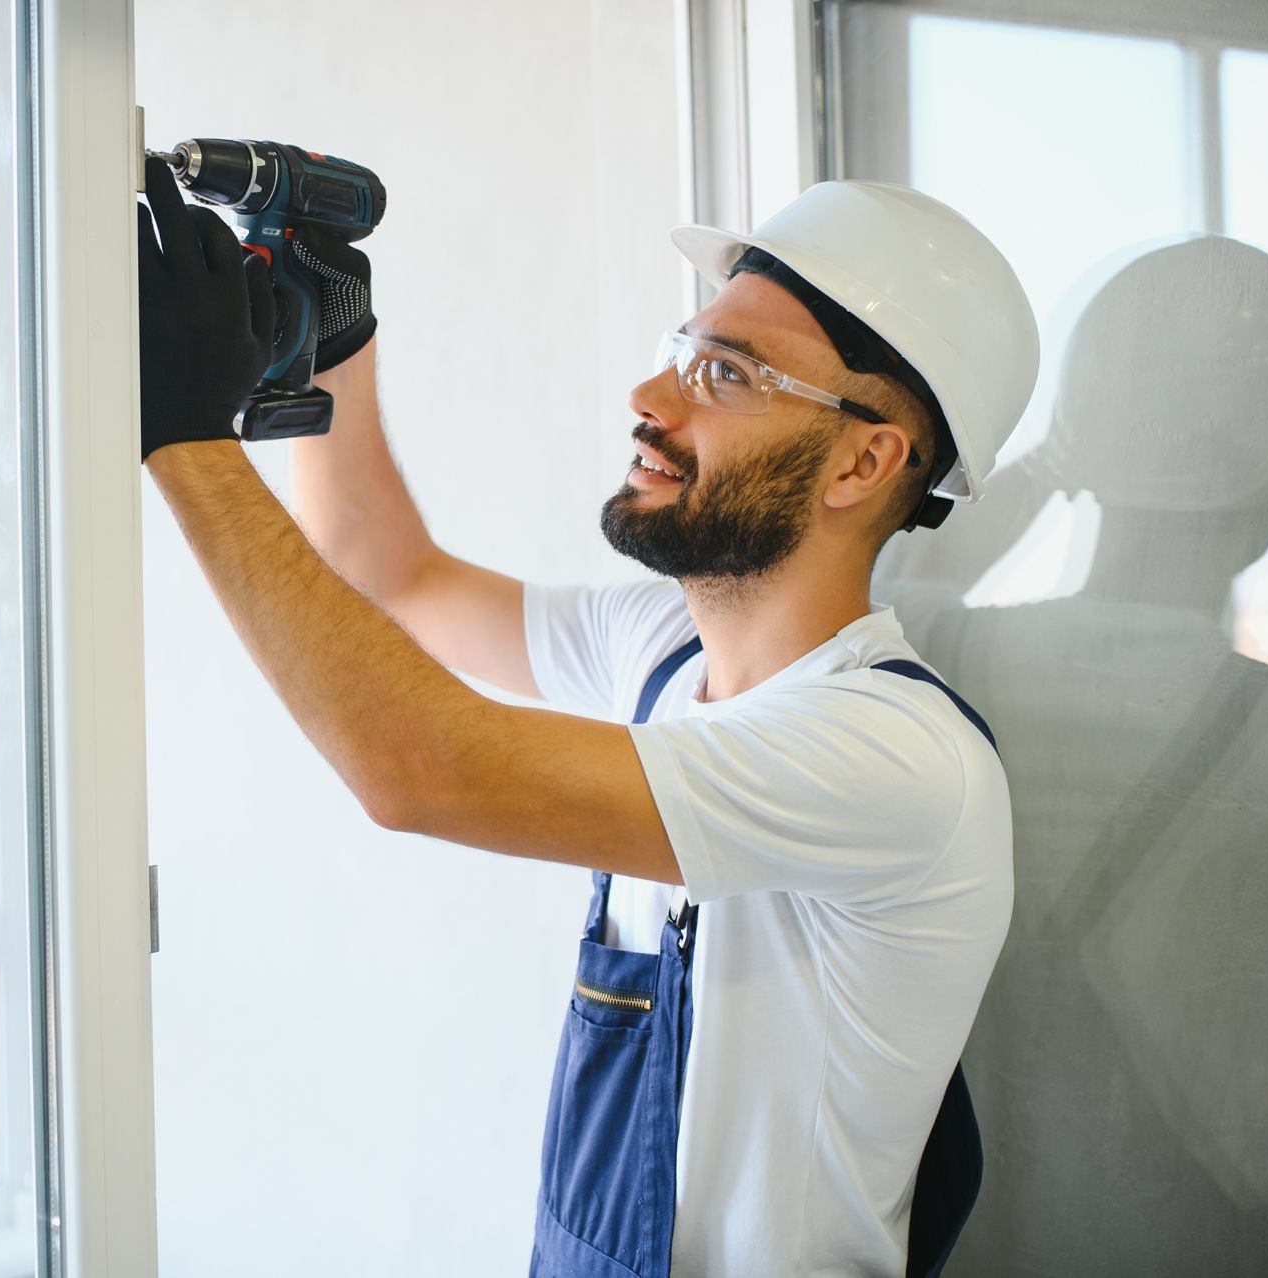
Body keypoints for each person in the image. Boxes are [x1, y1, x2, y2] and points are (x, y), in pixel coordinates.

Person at [134, 154, 1039, 1277]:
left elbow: (419, 767)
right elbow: (392, 579)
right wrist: (337, 336)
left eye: (725, 375)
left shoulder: (898, 758)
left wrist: (183, 434)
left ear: (864, 460)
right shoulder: (660, 656)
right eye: (681, 351)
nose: (650, 400)